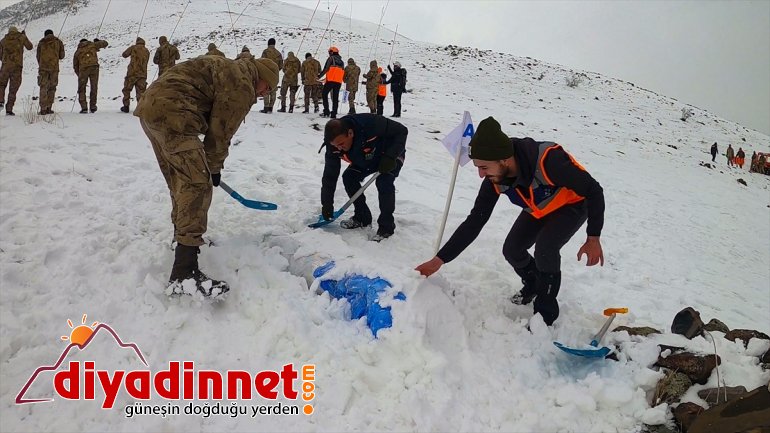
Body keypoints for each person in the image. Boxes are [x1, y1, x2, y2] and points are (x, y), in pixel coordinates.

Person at [415, 117, 605, 326]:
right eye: (478, 167)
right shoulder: (494, 179)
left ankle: (545, 314)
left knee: (546, 247)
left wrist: (593, 236)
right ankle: (533, 283)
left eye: (484, 167)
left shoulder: (548, 161)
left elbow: (594, 190)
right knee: (513, 249)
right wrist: (440, 259)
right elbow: (476, 220)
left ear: (504, 160)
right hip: (540, 207)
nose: (480, 175)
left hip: (574, 204)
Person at [134, 56, 279, 297]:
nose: (264, 94)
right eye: (267, 88)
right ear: (261, 78)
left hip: (151, 109)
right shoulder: (242, 85)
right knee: (196, 185)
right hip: (175, 115)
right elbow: (220, 134)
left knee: (181, 180)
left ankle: (182, 238)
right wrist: (212, 168)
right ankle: (184, 271)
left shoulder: (230, 68)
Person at [321, 114, 408, 241]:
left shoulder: (370, 123)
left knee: (384, 182)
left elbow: (402, 131)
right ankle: (362, 217)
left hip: (390, 155)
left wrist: (390, 156)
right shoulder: (333, 145)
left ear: (350, 133)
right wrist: (327, 204)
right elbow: (330, 175)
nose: (339, 148)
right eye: (335, 146)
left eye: (341, 143)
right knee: (349, 177)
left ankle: (386, 228)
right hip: (366, 157)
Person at [0, 26, 33, 115]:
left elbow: (0, 55)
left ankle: (0, 101)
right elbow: (30, 47)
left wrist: (5, 61)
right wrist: (25, 36)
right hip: (17, 67)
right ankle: (9, 109)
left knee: (1, 85)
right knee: (13, 88)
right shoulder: (21, 37)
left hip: (5, 67)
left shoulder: (3, 41)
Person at [73, 37, 108, 113]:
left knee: (82, 89)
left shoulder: (78, 51)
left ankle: (84, 107)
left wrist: (79, 75)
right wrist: (98, 42)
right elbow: (105, 43)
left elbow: (75, 66)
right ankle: (93, 106)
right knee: (94, 87)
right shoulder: (93, 45)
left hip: (83, 69)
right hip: (94, 68)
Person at [36, 29, 65, 115]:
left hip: (43, 69)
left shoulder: (41, 42)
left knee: (43, 87)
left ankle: (43, 109)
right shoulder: (58, 42)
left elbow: (38, 56)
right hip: (54, 69)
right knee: (52, 88)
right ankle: (49, 108)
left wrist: (41, 64)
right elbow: (62, 56)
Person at [120, 37, 149, 113]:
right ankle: (140, 107)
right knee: (141, 91)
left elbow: (124, 54)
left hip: (132, 73)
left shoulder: (133, 47)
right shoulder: (147, 51)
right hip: (142, 74)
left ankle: (126, 106)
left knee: (127, 89)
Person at [319, 46, 344, 118]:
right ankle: (334, 113)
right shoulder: (342, 62)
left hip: (330, 81)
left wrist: (319, 76)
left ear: (331, 52)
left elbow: (326, 69)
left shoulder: (331, 58)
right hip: (338, 82)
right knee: (335, 97)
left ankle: (326, 111)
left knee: (324, 94)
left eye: (329, 52)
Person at [260, 37, 283, 113]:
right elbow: (281, 66)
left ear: (268, 43)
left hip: (266, 73)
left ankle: (266, 107)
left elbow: (261, 62)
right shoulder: (278, 53)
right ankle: (271, 108)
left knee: (266, 89)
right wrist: (275, 71)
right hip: (275, 74)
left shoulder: (265, 52)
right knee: (273, 91)